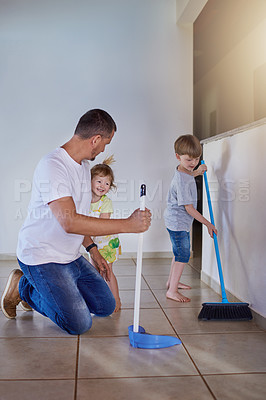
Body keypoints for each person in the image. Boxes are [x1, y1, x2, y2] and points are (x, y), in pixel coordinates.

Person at [1, 109, 151, 334]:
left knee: (105, 306)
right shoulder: (53, 166)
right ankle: (23, 288)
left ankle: (52, 291)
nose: (103, 150)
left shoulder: (83, 167)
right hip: (41, 257)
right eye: (105, 144)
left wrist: (93, 249)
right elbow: (70, 222)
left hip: (69, 257)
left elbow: (80, 217)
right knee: (78, 323)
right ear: (96, 139)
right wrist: (128, 225)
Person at [164, 134, 217, 303]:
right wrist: (207, 223)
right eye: (189, 160)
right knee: (183, 254)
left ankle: (171, 282)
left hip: (177, 221)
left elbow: (188, 176)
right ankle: (172, 291)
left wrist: (196, 172)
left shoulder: (184, 171)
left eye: (196, 159)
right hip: (178, 222)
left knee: (178, 252)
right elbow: (189, 208)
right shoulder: (181, 178)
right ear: (178, 157)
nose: (193, 163)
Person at [89, 155, 122, 312]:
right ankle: (97, 301)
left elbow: (102, 225)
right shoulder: (84, 199)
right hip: (92, 243)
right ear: (90, 181)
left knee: (108, 271)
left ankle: (116, 300)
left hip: (106, 242)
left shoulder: (106, 202)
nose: (103, 185)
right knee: (94, 273)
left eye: (107, 183)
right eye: (99, 181)